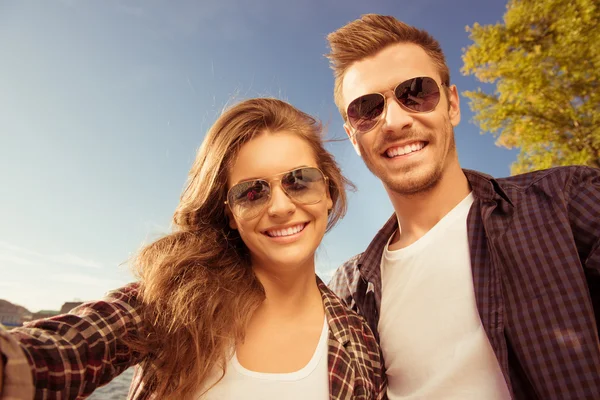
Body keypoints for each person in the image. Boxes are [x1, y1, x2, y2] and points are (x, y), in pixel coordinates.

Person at [0, 98, 386, 399]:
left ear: (329, 193)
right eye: (252, 191)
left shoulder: (361, 345)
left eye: (299, 181)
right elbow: (60, 351)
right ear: (231, 214)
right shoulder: (173, 299)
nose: (281, 207)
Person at [326, 14, 600, 400]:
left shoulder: (566, 201)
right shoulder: (347, 292)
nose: (394, 120)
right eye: (366, 108)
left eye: (416, 92)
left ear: (452, 105)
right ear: (354, 137)